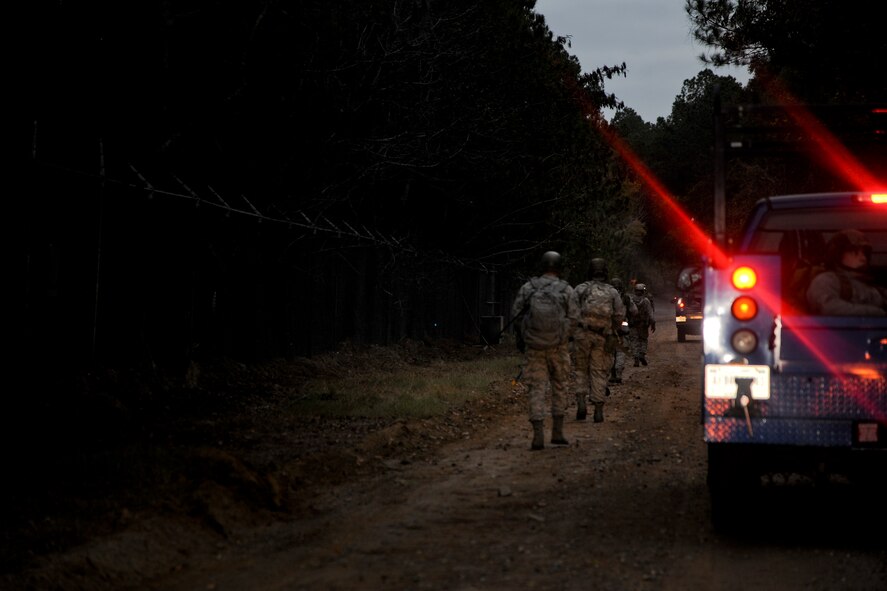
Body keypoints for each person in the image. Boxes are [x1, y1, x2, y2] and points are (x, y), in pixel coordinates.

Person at [511, 251, 578, 450]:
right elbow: (575, 318)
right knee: (560, 387)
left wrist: (525, 337)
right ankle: (557, 432)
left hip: (535, 349)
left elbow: (515, 315)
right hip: (558, 348)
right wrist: (563, 336)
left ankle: (538, 435)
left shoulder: (529, 287)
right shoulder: (566, 290)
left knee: (536, 389)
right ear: (559, 267)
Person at [570, 258, 625, 423]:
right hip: (603, 337)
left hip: (582, 335)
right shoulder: (612, 292)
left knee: (580, 369)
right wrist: (612, 328)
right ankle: (598, 409)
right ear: (605, 272)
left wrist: (572, 332)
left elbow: (571, 313)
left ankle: (581, 402)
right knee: (599, 371)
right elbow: (619, 315)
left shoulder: (580, 289)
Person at [807, 229, 887, 315]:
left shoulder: (873, 287)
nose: (863, 258)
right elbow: (828, 308)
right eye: (854, 252)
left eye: (864, 253)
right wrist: (877, 313)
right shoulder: (826, 280)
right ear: (838, 254)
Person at [608, 277, 637, 384]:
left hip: (609, 327)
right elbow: (634, 311)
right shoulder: (626, 298)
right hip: (622, 326)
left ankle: (612, 375)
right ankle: (618, 375)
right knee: (621, 351)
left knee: (610, 352)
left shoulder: (606, 296)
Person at [628, 282, 656, 366]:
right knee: (643, 340)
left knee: (634, 341)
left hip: (633, 324)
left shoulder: (630, 300)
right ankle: (642, 354)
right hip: (643, 325)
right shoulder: (646, 301)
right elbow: (650, 313)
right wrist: (653, 323)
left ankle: (636, 358)